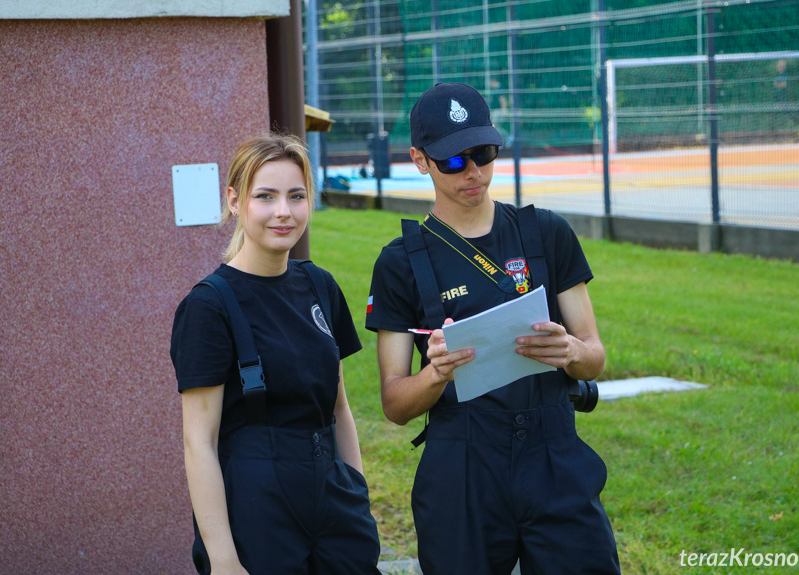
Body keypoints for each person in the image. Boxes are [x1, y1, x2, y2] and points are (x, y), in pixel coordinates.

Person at [365, 83, 620, 575]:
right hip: (462, 463)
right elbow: (395, 404)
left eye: (482, 153)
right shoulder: (400, 262)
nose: (473, 172)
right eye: (453, 161)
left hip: (553, 450)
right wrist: (435, 374)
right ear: (420, 160)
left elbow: (595, 356)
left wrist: (568, 350)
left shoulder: (546, 233)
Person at [171, 134, 380, 575]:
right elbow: (199, 444)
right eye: (265, 197)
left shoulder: (319, 285)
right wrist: (224, 559)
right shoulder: (209, 307)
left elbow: (339, 406)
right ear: (234, 200)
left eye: (296, 196)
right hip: (257, 505)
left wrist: (356, 495)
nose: (283, 211)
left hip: (333, 498)